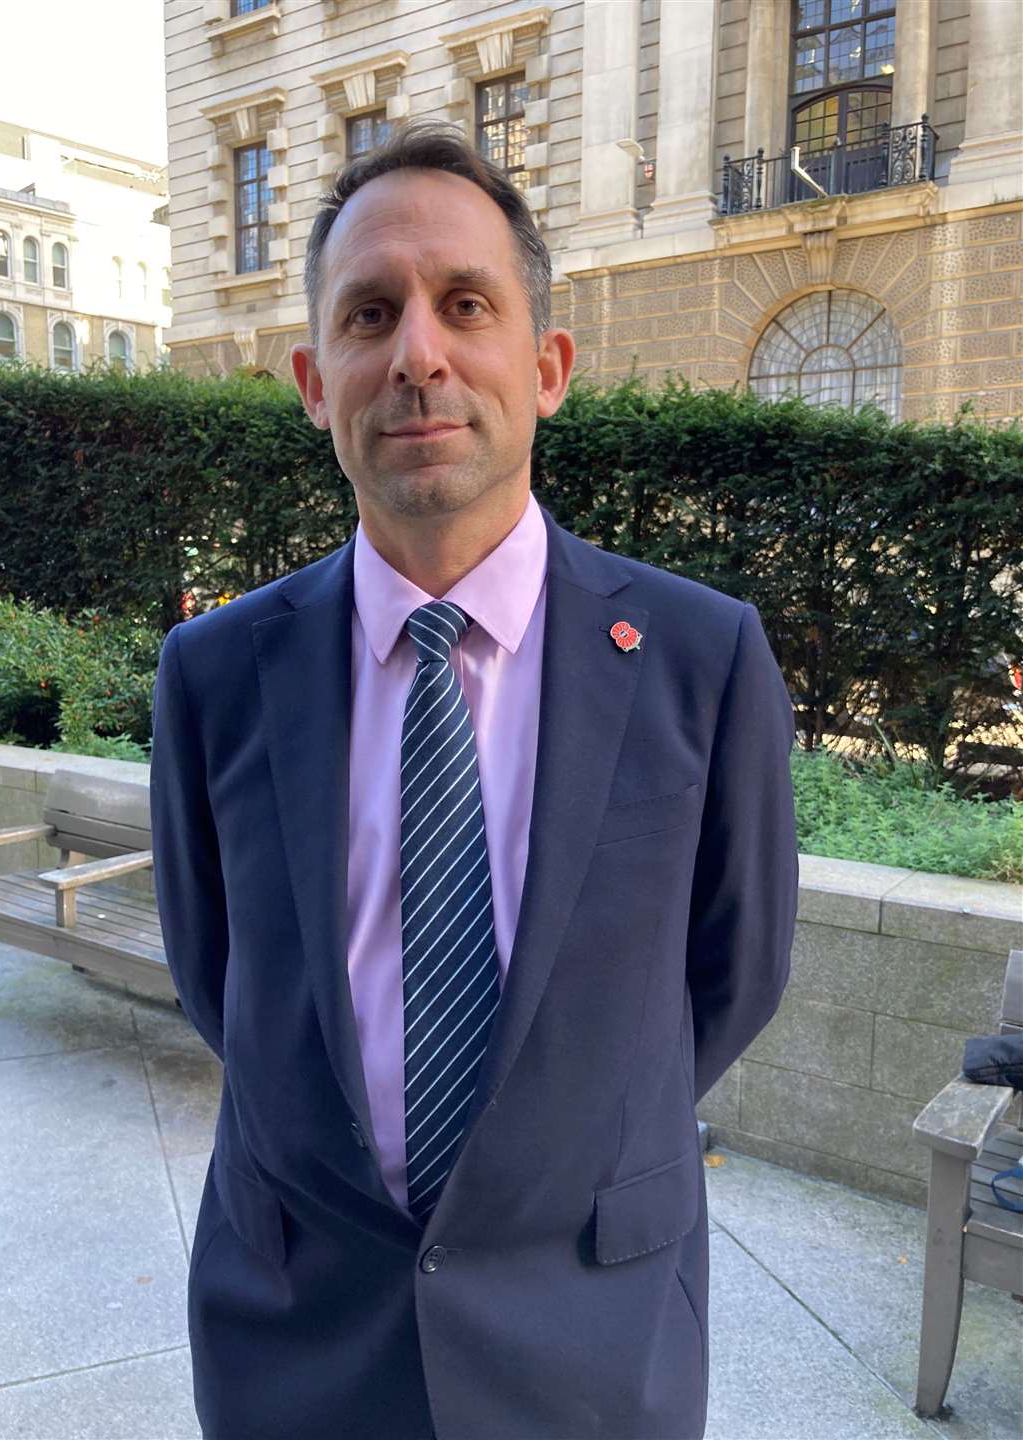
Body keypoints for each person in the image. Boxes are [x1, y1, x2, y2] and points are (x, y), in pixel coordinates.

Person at [149, 117, 799, 1440]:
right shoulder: (212, 676)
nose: (419, 356)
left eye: (465, 306)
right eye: (370, 315)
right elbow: (222, 985)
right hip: (299, 1336)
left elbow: (733, 979)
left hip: (596, 1343)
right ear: (313, 381)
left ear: (546, 364)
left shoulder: (699, 657)